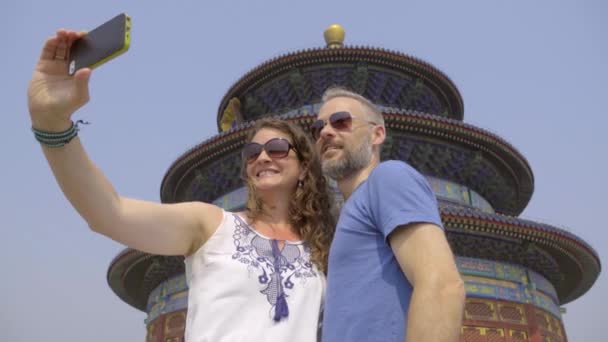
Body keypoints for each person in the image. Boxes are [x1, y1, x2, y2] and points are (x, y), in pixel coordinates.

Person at [27, 29, 335, 342]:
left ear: (304, 166)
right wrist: (52, 124)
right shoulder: (212, 224)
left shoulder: (321, 250)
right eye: (253, 152)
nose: (263, 157)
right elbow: (109, 212)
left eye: (278, 148)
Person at [312, 87, 465, 342]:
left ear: (377, 134)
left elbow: (442, 286)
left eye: (341, 122)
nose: (326, 132)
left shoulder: (388, 178)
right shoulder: (346, 215)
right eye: (318, 128)